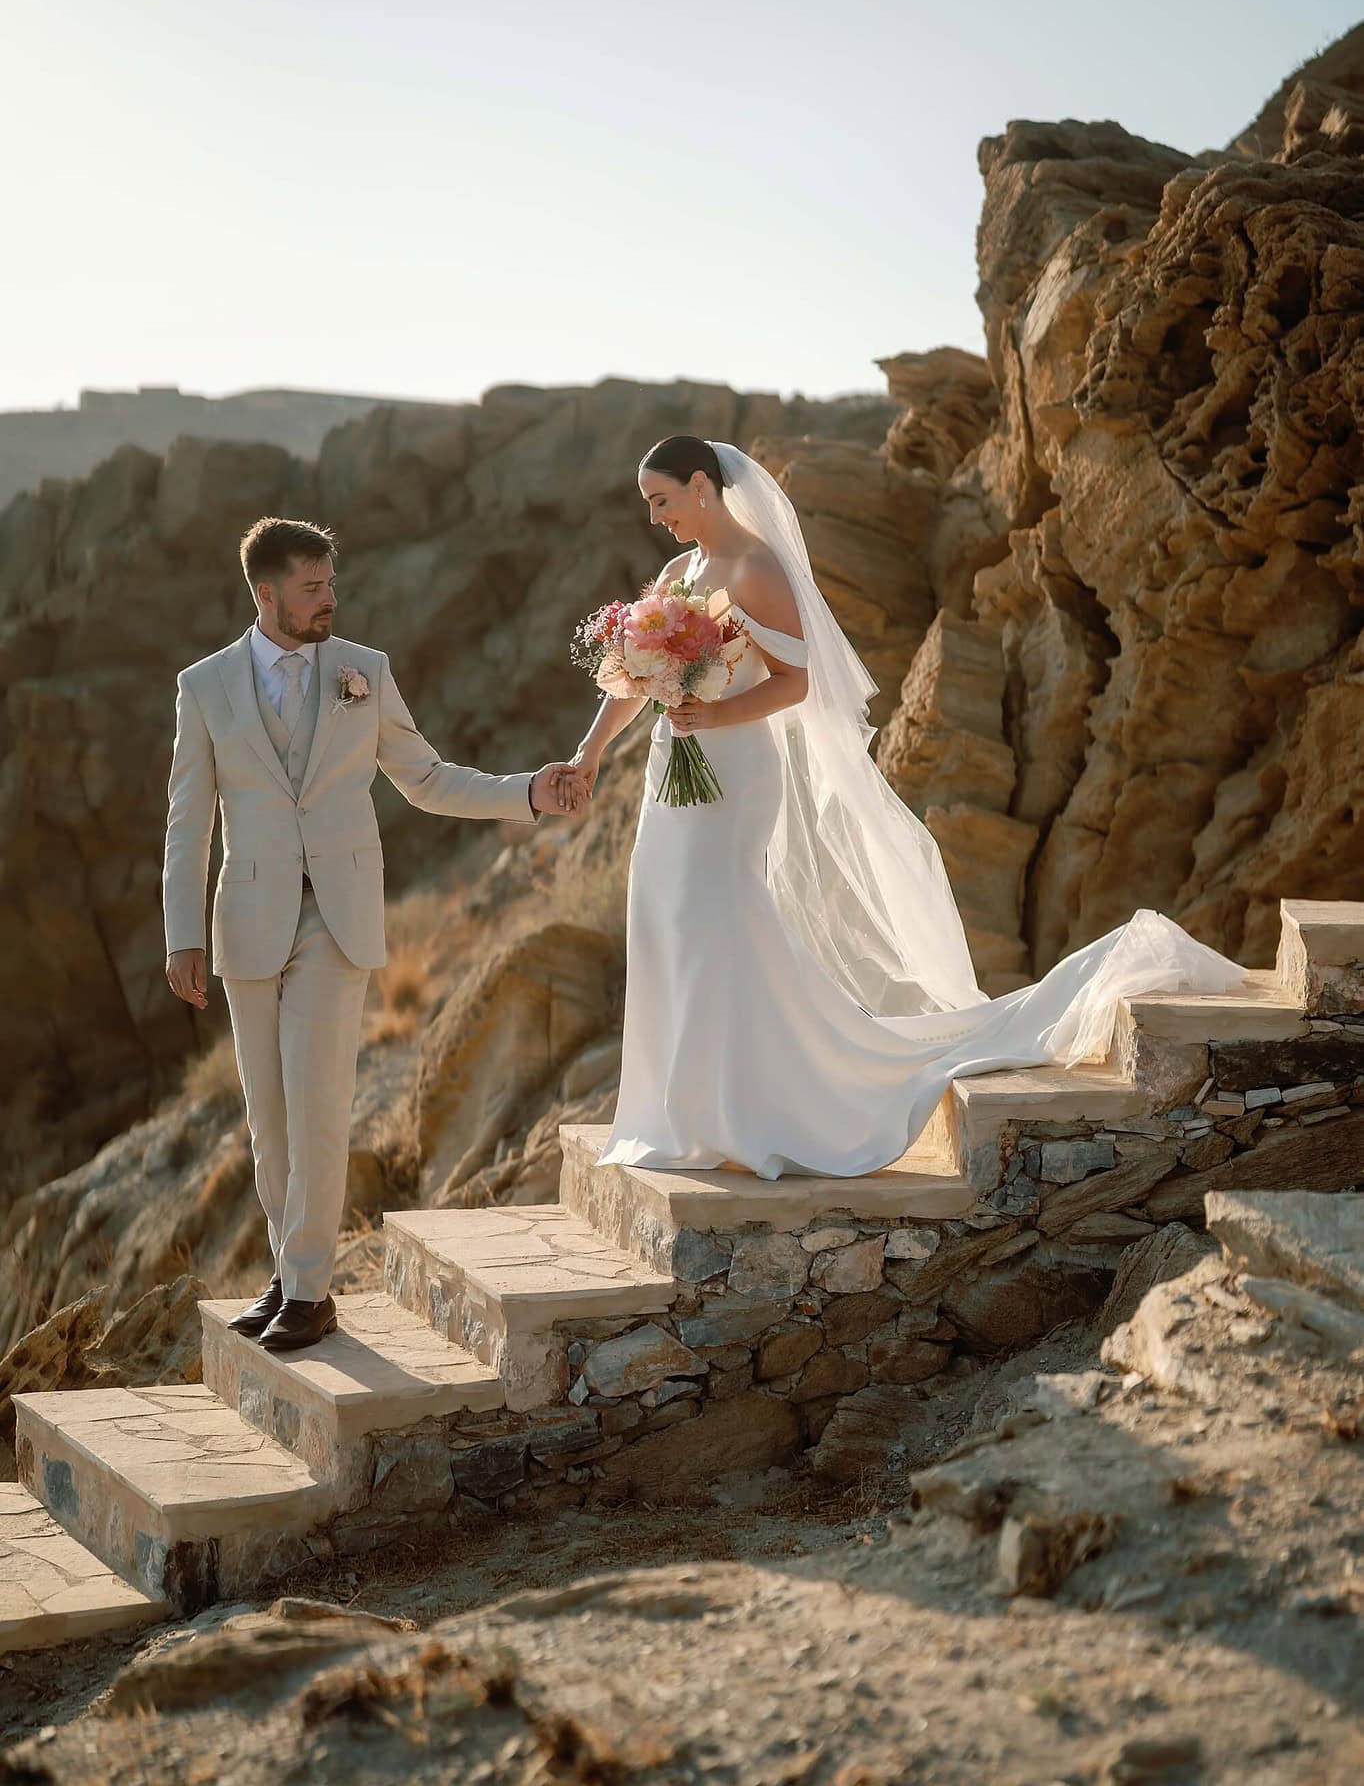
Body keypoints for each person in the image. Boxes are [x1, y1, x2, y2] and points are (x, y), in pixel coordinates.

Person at [564, 439, 1250, 1180]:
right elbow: (630, 679)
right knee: (668, 916)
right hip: (675, 774)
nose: (656, 517)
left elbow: (796, 683)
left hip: (734, 771)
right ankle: (686, 1108)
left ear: (702, 485)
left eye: (662, 499)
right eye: (649, 505)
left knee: (720, 915)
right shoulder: (678, 573)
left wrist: (711, 718)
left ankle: (750, 1107)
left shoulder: (759, 570)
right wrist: (589, 754)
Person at [163, 516, 584, 1350]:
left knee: (319, 1102)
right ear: (267, 593)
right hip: (247, 916)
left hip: (338, 916)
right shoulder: (204, 686)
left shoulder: (364, 671)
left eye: (331, 584)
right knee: (268, 1116)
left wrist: (528, 792)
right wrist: (182, 935)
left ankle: (312, 1294)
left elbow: (425, 779)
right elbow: (187, 820)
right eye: (312, 587)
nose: (329, 599)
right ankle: (287, 1277)